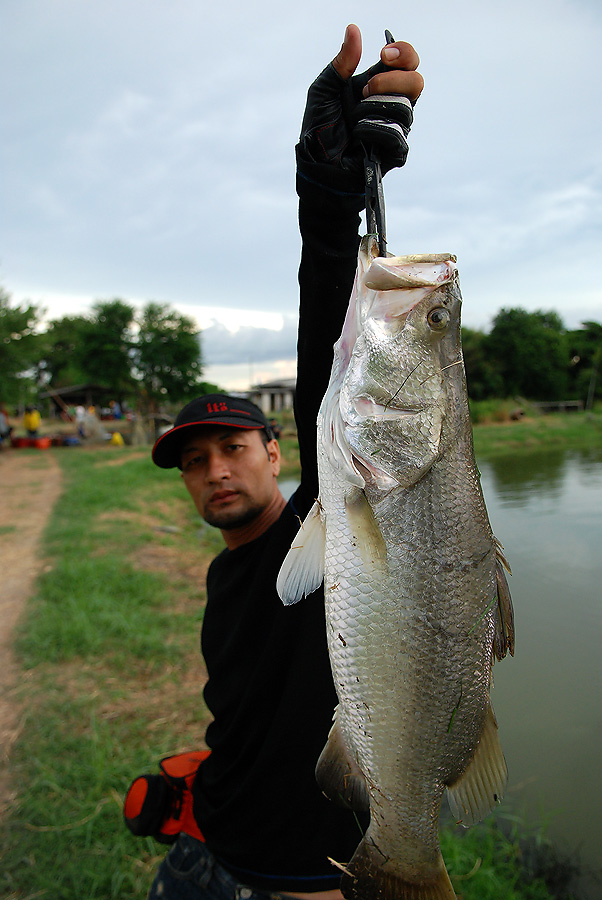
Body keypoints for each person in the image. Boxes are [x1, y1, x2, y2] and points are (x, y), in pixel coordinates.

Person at [144, 24, 423, 900]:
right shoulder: (225, 576)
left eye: (233, 447)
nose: (216, 470)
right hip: (205, 849)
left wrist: (330, 190)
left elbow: (327, 359)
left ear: (278, 449)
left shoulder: (331, 529)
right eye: (194, 462)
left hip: (306, 879)